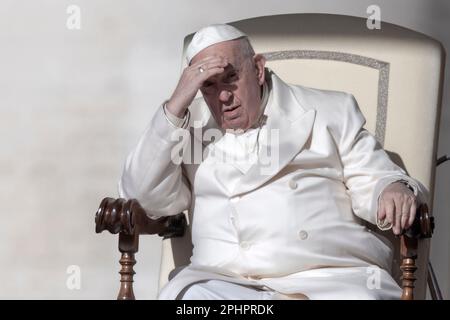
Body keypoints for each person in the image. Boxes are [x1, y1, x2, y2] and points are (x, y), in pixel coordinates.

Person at [118, 24, 428, 299]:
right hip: (225, 284)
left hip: (331, 279)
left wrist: (392, 189)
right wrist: (174, 108)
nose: (223, 96)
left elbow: (375, 177)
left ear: (258, 68)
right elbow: (142, 196)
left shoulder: (330, 110)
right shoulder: (188, 129)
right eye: (208, 86)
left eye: (230, 78)